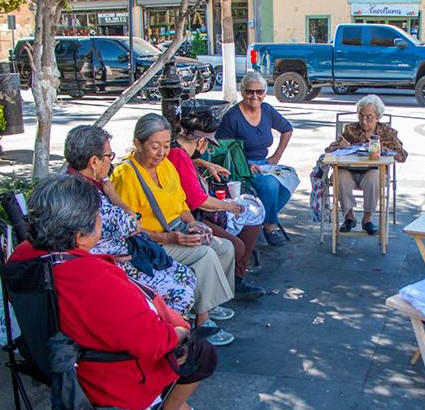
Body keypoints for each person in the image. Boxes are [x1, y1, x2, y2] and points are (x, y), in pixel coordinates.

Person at [10, 175, 227, 410]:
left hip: (46, 357)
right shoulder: (92, 278)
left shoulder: (21, 255)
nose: (102, 219)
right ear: (79, 235)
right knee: (201, 351)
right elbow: (151, 341)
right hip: (96, 374)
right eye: (98, 215)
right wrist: (180, 332)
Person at [111, 113, 236, 347]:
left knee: (225, 248)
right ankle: (203, 320)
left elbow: (181, 206)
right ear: (138, 144)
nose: (161, 153)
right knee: (205, 254)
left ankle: (208, 302)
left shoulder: (167, 167)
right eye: (155, 146)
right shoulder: (125, 176)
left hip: (175, 232)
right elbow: (129, 230)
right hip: (148, 244)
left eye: (166, 146)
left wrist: (192, 224)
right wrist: (170, 237)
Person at [64, 125, 196, 315]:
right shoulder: (91, 196)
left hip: (115, 258)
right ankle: (164, 335)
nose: (110, 162)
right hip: (108, 267)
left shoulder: (68, 181)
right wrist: (114, 195)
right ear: (94, 161)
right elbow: (132, 224)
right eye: (109, 156)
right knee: (182, 290)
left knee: (185, 274)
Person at [167, 108, 266, 298]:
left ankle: (236, 280)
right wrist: (229, 206)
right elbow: (198, 201)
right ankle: (224, 286)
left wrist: (205, 164)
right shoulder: (178, 156)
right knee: (237, 244)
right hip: (188, 217)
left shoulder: (179, 152)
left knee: (249, 221)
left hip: (190, 213)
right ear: (202, 142)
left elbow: (187, 162)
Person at [216, 71, 294, 247]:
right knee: (270, 185)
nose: (254, 96)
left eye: (259, 92)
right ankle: (269, 226)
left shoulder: (267, 110)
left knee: (290, 177)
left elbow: (287, 129)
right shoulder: (233, 116)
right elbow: (223, 149)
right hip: (241, 167)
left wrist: (277, 155)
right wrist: (245, 166)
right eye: (250, 91)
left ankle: (260, 217)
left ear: (265, 92)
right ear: (242, 92)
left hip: (265, 163)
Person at [325, 94, 407, 234]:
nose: (364, 121)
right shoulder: (351, 130)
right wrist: (340, 146)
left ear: (378, 116)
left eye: (369, 117)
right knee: (339, 176)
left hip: (373, 171)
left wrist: (383, 150)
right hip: (349, 170)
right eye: (361, 116)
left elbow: (402, 155)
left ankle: (367, 218)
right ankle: (349, 217)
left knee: (373, 177)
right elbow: (329, 150)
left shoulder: (386, 132)